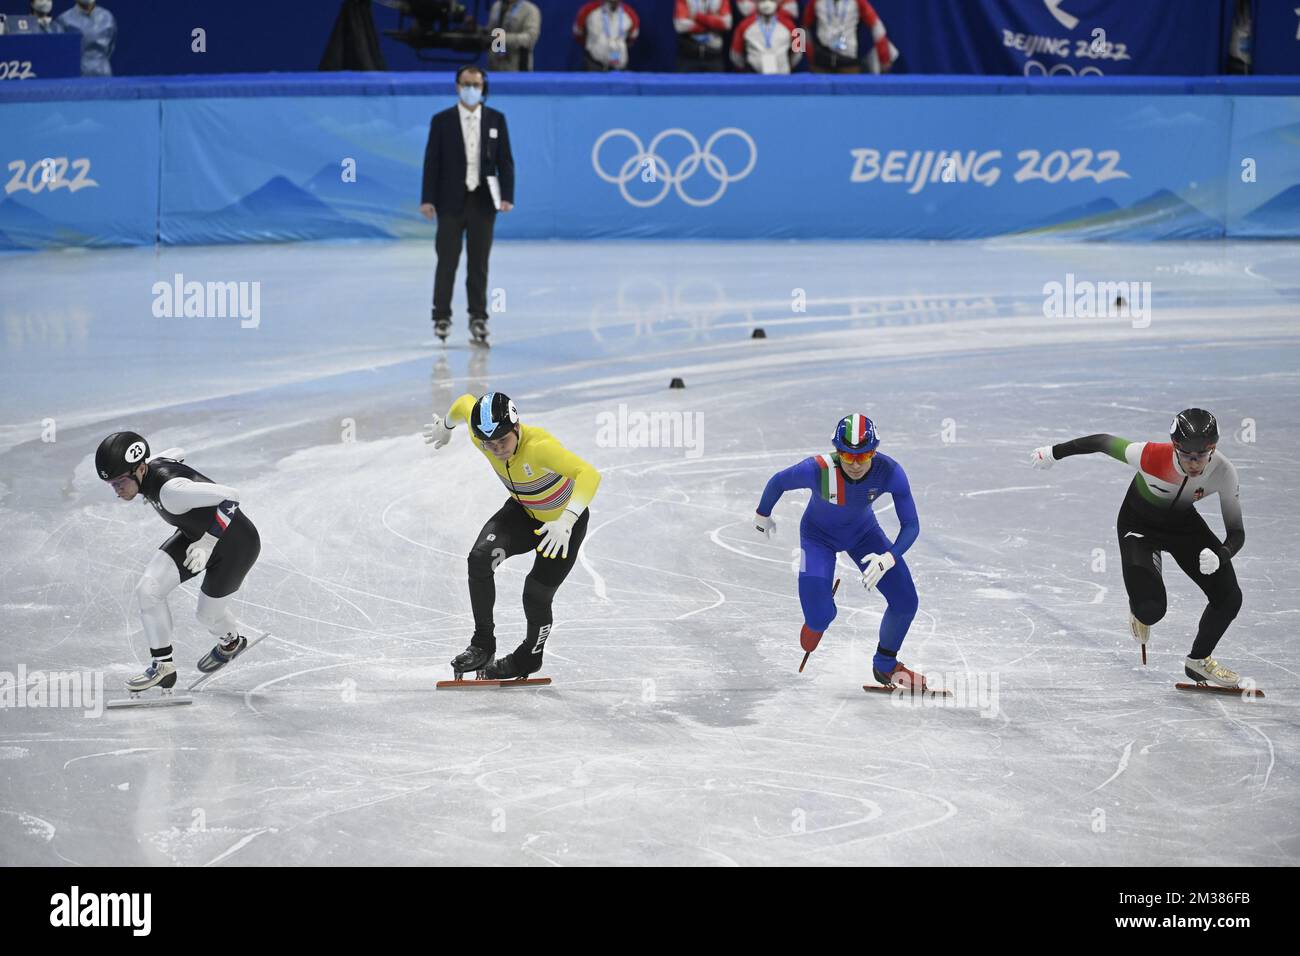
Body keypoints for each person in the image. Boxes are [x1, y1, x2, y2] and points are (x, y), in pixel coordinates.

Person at [1031, 409, 1247, 688]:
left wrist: (1221, 555)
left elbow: (1237, 533)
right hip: (1139, 526)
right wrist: (1053, 452)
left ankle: (1199, 661)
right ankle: (1139, 608)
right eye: (1186, 456)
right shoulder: (1150, 455)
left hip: (1183, 526)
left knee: (1229, 597)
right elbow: (1102, 441)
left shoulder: (1224, 472)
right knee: (1151, 610)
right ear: (1175, 448)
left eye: (1201, 456)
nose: (1194, 464)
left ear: (1213, 449)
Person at [424, 392, 601, 679]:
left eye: (503, 441)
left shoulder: (540, 447)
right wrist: (446, 426)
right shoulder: (484, 435)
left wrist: (567, 519)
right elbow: (464, 403)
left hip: (559, 529)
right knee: (480, 559)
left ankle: (528, 658)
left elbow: (589, 474)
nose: (497, 449)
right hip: (523, 514)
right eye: (489, 444)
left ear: (517, 427)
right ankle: (482, 646)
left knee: (535, 595)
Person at [754, 414, 925, 688]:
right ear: (837, 452)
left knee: (906, 602)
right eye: (848, 457)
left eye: (864, 455)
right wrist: (762, 514)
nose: (856, 464)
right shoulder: (817, 469)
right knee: (817, 618)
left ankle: (885, 664)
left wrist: (888, 558)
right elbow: (778, 482)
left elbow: (912, 525)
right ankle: (822, 615)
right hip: (817, 539)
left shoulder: (890, 472)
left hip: (864, 536)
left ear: (875, 451)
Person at [94, 432, 261, 694]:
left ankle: (231, 642)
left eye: (120, 482)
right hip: (193, 537)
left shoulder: (171, 492)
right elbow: (177, 452)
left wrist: (208, 542)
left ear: (139, 469)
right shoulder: (149, 468)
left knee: (207, 616)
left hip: (235, 546)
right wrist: (174, 462)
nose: (117, 491)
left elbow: (231, 496)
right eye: (112, 485)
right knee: (148, 590)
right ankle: (163, 668)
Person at [420, 66, 515, 347]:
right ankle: (441, 315)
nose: (471, 89)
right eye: (466, 84)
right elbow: (432, 162)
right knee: (447, 261)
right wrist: (427, 199)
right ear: (457, 86)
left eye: (476, 84)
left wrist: (506, 195)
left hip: (483, 203)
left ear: (483, 87)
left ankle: (478, 317)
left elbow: (505, 161)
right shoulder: (442, 121)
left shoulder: (496, 119)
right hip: (450, 202)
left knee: (479, 263)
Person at [802, 0, 897, 74]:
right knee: (818, 98)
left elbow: (877, 27)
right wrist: (810, 56)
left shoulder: (858, 2)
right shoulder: (816, 1)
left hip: (848, 63)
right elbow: (804, 28)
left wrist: (884, 58)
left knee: (850, 98)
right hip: (821, 64)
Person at [731, 0, 801, 74]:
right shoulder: (743, 25)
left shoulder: (791, 25)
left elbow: (799, 52)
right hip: (754, 75)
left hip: (783, 75)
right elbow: (735, 53)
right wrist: (746, 68)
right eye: (762, 0)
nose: (767, 3)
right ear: (756, 2)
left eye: (771, 0)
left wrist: (787, 66)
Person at [574, 0, 640, 71]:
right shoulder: (588, 11)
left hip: (619, 66)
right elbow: (578, 34)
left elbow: (632, 39)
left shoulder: (631, 15)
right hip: (594, 64)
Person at [56, 0, 115, 76]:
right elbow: (61, 53)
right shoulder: (64, 20)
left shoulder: (108, 17)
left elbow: (111, 45)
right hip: (77, 75)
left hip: (103, 72)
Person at [673, 0, 732, 73]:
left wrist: (697, 17)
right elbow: (680, 25)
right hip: (689, 56)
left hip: (713, 56)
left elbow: (726, 24)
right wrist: (713, 22)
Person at [486, 0, 541, 71]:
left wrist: (503, 38)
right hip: (494, 64)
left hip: (517, 65)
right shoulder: (496, 6)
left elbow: (530, 38)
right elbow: (490, 31)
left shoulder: (530, 10)